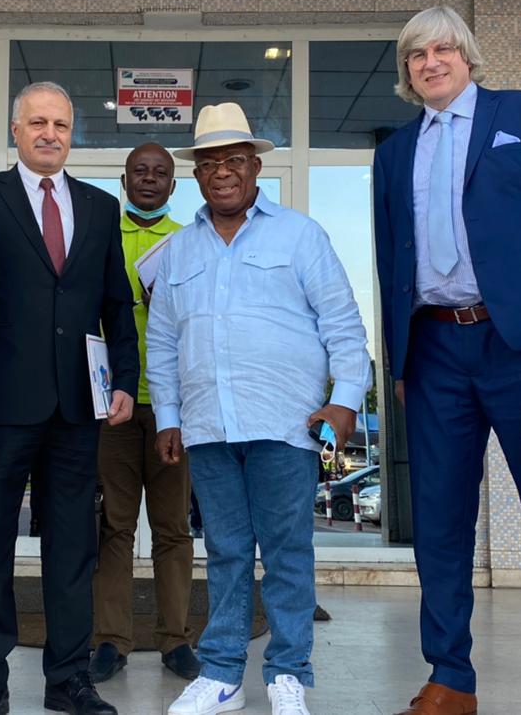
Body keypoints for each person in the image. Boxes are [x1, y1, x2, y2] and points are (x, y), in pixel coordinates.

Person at [373, 6, 521, 715]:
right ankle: (451, 679)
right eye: (417, 55)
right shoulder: (394, 151)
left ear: (468, 56)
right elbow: (390, 262)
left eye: (443, 49)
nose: (431, 62)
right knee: (439, 524)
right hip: (435, 350)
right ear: (407, 71)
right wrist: (400, 362)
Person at [147, 103, 372, 715]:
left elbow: (343, 325)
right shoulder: (176, 252)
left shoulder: (300, 235)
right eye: (209, 162)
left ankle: (288, 672)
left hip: (285, 424)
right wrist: (168, 415)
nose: (221, 171)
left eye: (234, 160)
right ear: (197, 174)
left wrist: (345, 400)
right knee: (224, 552)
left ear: (255, 167)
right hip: (208, 427)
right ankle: (222, 676)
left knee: (286, 553)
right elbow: (162, 343)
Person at [0, 81, 139, 715]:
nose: (49, 133)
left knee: (73, 549)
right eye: (37, 123)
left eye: (60, 124)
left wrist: (125, 381)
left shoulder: (100, 207)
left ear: (71, 133)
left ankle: (69, 681)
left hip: (78, 408)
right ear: (15, 131)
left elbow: (116, 305)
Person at [89, 143, 198, 684]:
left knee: (173, 528)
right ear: (124, 180)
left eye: (160, 173)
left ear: (174, 186)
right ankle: (111, 640)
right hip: (113, 404)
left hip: (174, 407)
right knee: (114, 525)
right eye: (140, 171)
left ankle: (175, 639)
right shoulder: (101, 236)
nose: (150, 179)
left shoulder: (189, 241)